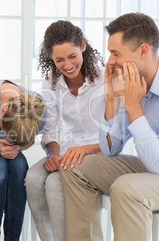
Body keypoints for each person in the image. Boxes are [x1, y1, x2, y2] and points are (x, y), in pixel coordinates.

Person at [59, 12, 159, 241]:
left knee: (127, 188)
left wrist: (132, 105)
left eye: (115, 53)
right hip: (155, 166)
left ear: (143, 51)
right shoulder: (132, 82)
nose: (109, 62)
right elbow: (111, 149)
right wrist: (112, 99)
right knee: (75, 167)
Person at [24, 20, 105, 241]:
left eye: (72, 56)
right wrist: (53, 155)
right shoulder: (51, 82)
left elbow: (117, 133)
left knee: (54, 183)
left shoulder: (104, 78)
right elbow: (51, 127)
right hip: (68, 150)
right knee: (32, 178)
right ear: (51, 58)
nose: (67, 65)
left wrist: (84, 151)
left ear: (83, 47)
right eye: (59, 59)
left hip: (99, 151)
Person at [0, 80, 46, 241]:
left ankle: (13, 238)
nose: (6, 139)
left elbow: (27, 143)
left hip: (3, 153)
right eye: (5, 132)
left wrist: (18, 146)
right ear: (3, 110)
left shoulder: (37, 108)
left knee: (20, 165)